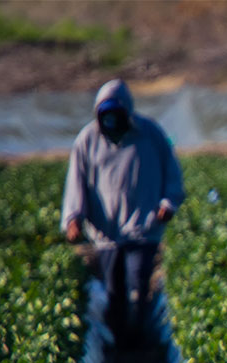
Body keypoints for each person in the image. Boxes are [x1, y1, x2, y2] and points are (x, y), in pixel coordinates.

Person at [61, 79, 185, 332]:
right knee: (114, 291)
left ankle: (139, 337)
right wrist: (73, 217)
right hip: (106, 232)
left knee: (138, 284)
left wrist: (168, 203)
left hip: (144, 227)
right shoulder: (87, 141)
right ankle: (121, 343)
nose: (111, 123)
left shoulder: (151, 135)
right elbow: (76, 182)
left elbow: (172, 172)